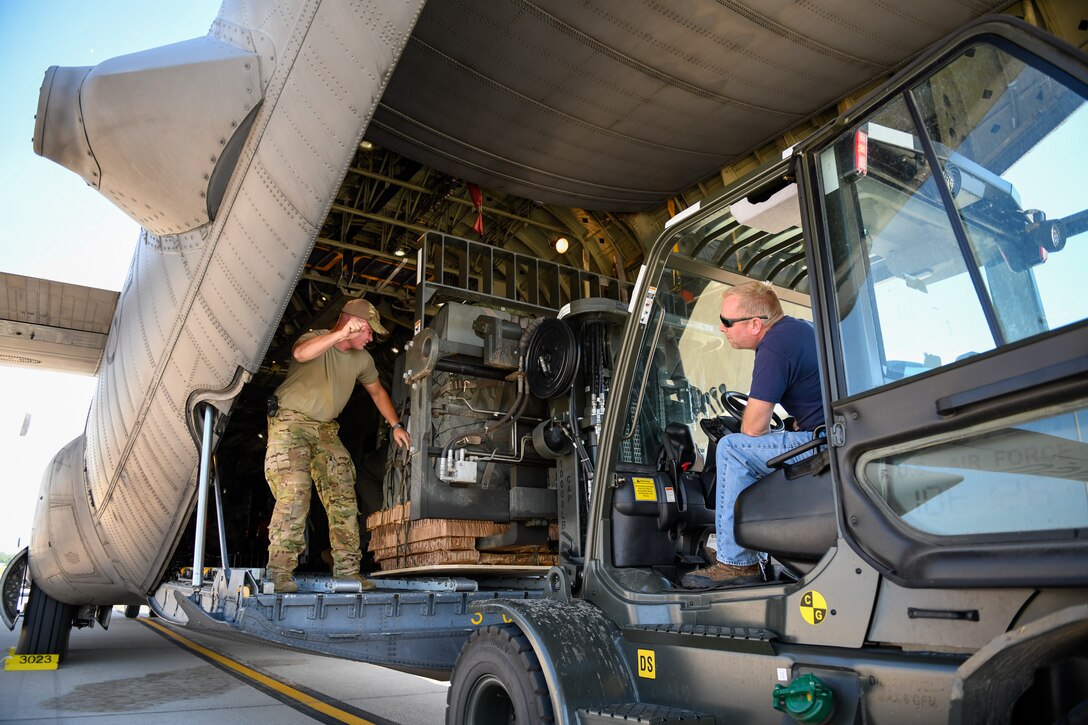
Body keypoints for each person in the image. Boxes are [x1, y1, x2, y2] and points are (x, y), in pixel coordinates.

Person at [681, 281, 824, 589]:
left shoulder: (773, 347)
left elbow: (753, 428)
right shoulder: (800, 331)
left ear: (756, 324)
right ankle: (752, 550)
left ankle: (736, 563)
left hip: (822, 447)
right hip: (825, 436)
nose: (722, 329)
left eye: (727, 322)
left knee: (733, 448)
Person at [265, 298, 411, 593]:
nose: (371, 338)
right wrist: (340, 335)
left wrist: (395, 425)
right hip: (291, 423)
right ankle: (280, 572)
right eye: (368, 331)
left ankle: (347, 571)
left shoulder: (362, 360)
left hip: (325, 431)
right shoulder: (316, 339)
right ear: (351, 324)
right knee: (295, 489)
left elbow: (377, 392)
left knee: (344, 492)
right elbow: (300, 353)